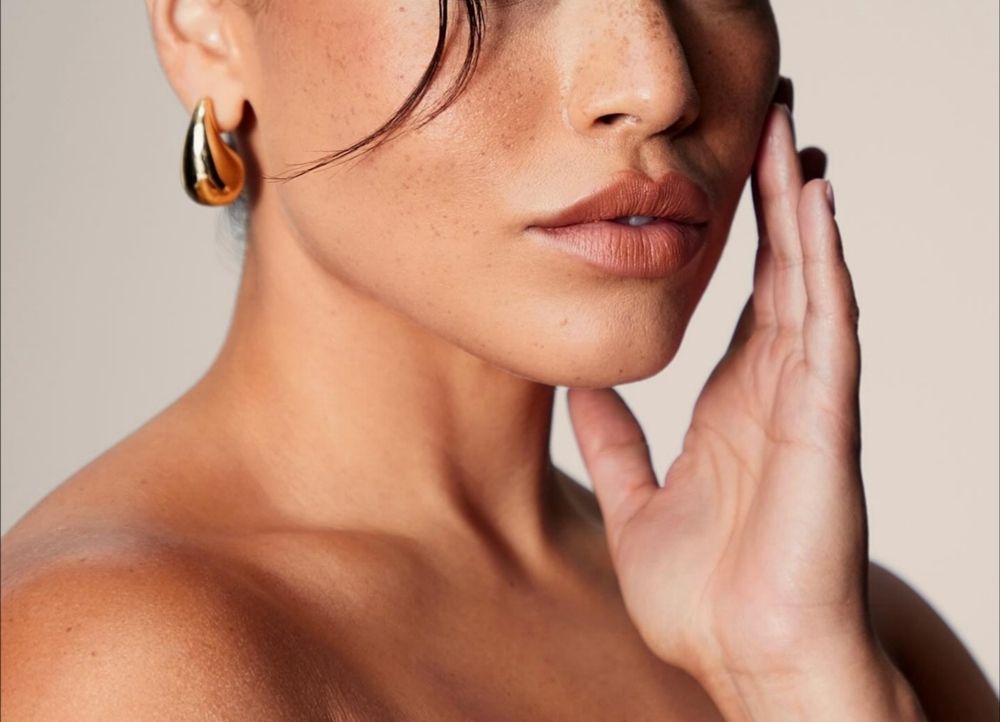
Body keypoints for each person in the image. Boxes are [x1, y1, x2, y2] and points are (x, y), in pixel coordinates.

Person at [1, 1, 996, 719]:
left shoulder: (844, 637)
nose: (656, 84)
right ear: (205, 27)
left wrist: (797, 687)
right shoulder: (118, 667)